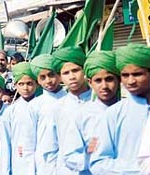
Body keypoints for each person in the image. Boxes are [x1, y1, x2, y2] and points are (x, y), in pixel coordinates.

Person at [90, 43, 150, 174]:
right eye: (125, 75)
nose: (130, 81)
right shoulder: (113, 114)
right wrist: (140, 170)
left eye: (137, 74)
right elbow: (98, 162)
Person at [63, 50, 120, 174]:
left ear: (119, 80)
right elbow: (69, 157)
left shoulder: (128, 112)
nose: (104, 86)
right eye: (98, 81)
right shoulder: (82, 115)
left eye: (109, 79)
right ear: (90, 82)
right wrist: (91, 156)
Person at [49, 46, 91, 174]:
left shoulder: (98, 102)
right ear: (60, 77)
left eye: (76, 70)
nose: (72, 76)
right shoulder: (58, 108)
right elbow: (51, 147)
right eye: (66, 73)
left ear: (84, 71)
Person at [29, 54, 67, 175]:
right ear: (38, 81)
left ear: (59, 75)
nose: (48, 81)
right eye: (43, 77)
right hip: (44, 162)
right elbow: (30, 140)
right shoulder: (35, 105)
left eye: (51, 75)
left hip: (69, 160)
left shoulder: (71, 100)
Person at [4, 62, 38, 175]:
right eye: (21, 84)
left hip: (42, 162)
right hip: (19, 163)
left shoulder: (44, 107)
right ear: (16, 85)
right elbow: (6, 143)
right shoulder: (11, 111)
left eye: (29, 83)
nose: (25, 88)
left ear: (36, 84)